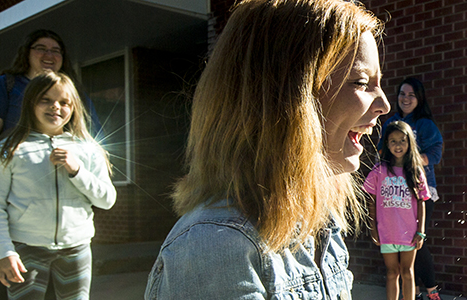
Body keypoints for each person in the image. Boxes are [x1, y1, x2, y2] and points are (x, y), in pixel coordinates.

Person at [143, 0, 389, 298]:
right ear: (286, 97)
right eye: (361, 82)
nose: (384, 104)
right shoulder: (215, 245)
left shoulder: (322, 222)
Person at [0, 71, 116, 299]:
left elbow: (107, 200)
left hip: (77, 248)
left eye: (64, 102)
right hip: (26, 247)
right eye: (46, 100)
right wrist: (3, 251)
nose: (56, 107)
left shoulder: (88, 149)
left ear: (73, 107)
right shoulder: (8, 150)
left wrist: (76, 170)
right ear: (30, 103)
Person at [0, 29, 102, 191]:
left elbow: (93, 137)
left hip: (67, 184)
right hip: (18, 182)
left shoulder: (75, 94)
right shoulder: (4, 85)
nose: (49, 55)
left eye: (55, 51)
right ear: (26, 53)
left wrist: (96, 180)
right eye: (41, 48)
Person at [379, 77, 444, 300]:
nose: (405, 99)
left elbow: (435, 154)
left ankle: (432, 291)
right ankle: (412, 292)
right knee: (404, 245)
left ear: (419, 99)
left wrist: (411, 161)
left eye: (411, 95)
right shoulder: (391, 123)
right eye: (402, 94)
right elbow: (381, 152)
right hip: (395, 194)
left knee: (417, 241)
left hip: (420, 191)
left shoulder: (425, 124)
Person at [365, 121, 430, 300]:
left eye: (402, 140)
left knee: (408, 272)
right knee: (392, 272)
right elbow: (371, 200)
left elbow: (422, 201)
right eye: (393, 141)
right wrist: (373, 228)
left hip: (409, 233)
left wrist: (421, 231)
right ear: (386, 143)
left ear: (409, 142)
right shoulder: (379, 170)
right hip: (386, 231)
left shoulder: (415, 171)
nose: (398, 145)